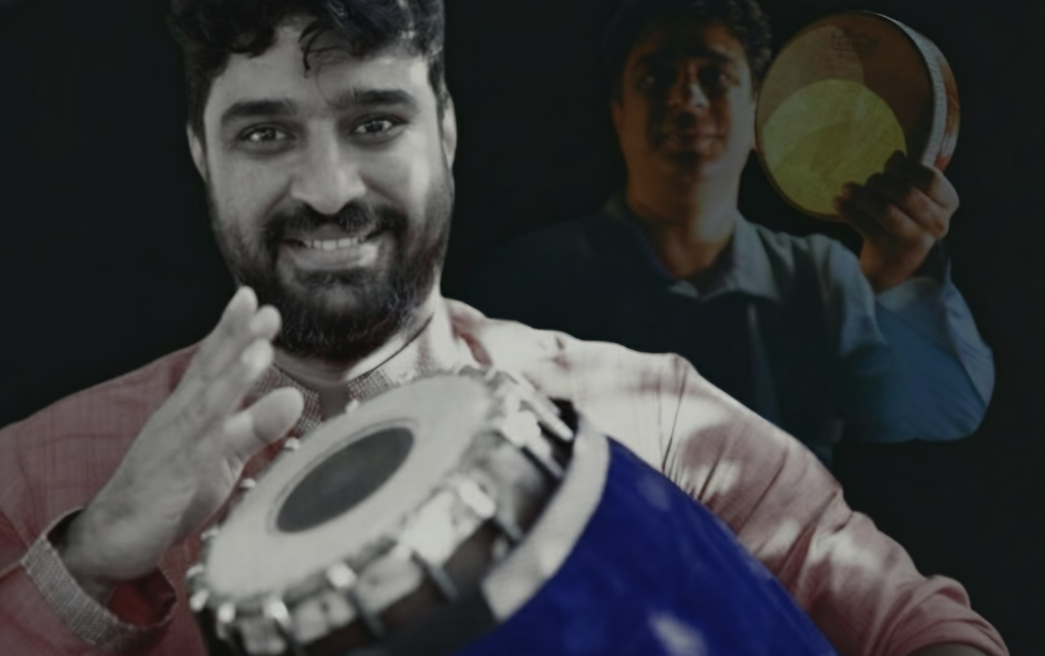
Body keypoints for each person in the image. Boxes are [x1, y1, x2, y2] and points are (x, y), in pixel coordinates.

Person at [0, 1, 1005, 655]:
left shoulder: (659, 425)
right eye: (265, 133)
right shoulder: (35, 476)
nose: (328, 188)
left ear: (444, 130)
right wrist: (89, 563)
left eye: (374, 123)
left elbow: (926, 631)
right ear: (199, 151)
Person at [463, 0, 994, 467]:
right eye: (656, 78)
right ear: (618, 114)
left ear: (758, 111)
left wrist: (903, 275)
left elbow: (948, 412)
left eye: (715, 77)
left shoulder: (822, 280)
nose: (686, 99)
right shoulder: (529, 278)